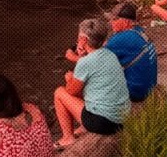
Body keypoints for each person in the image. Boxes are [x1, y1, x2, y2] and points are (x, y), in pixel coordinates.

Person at [54, 19, 131, 149]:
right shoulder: (110, 54)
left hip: (106, 123)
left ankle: (68, 138)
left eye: (79, 37)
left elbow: (71, 91)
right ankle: (84, 127)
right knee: (93, 89)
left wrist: (70, 79)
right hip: (122, 118)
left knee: (59, 92)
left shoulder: (85, 63)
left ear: (83, 40)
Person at [64, 4, 158, 103]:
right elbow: (105, 49)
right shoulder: (137, 32)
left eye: (114, 19)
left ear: (125, 21)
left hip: (136, 93)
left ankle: (88, 111)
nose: (110, 22)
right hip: (148, 87)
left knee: (78, 83)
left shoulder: (122, 38)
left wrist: (73, 56)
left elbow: (94, 61)